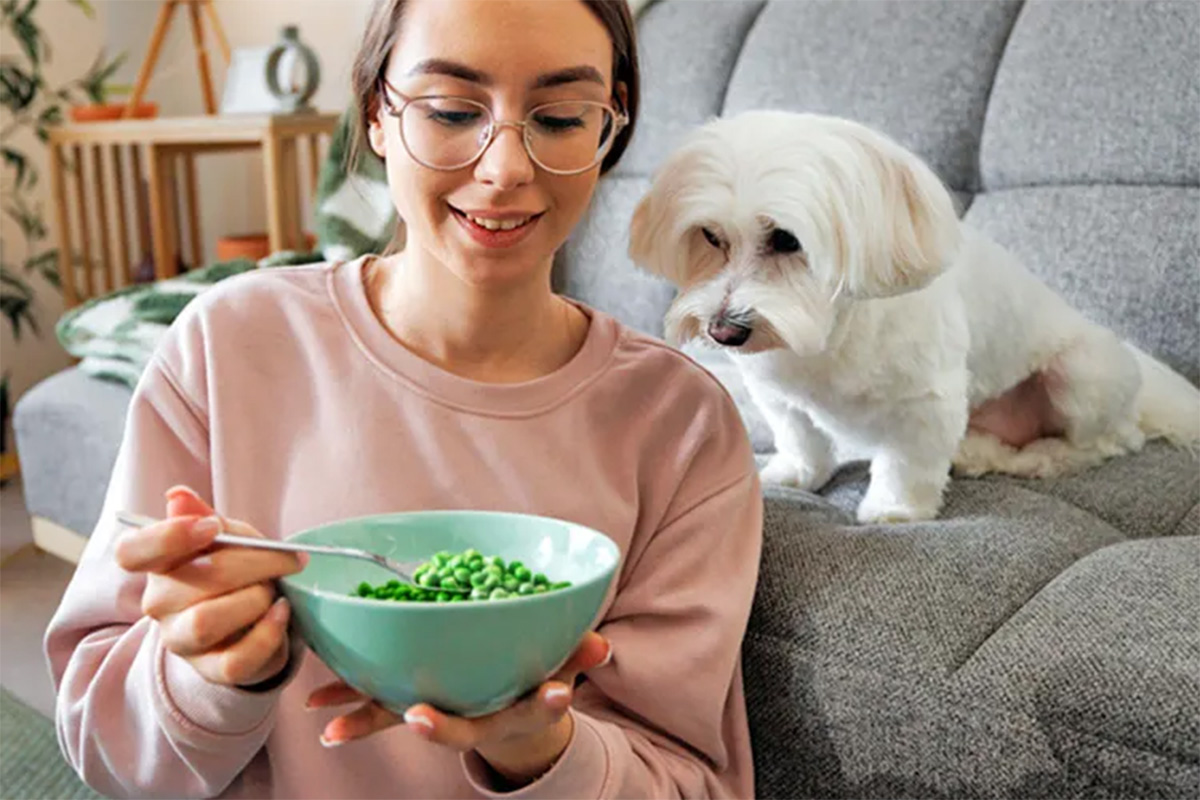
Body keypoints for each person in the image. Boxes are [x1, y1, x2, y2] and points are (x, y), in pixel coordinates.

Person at [44, 1, 763, 797]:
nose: (504, 169)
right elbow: (104, 750)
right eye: (453, 110)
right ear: (376, 115)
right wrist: (209, 677)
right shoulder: (229, 343)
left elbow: (695, 784)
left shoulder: (683, 427)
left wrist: (544, 750)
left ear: (609, 129)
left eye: (559, 117)